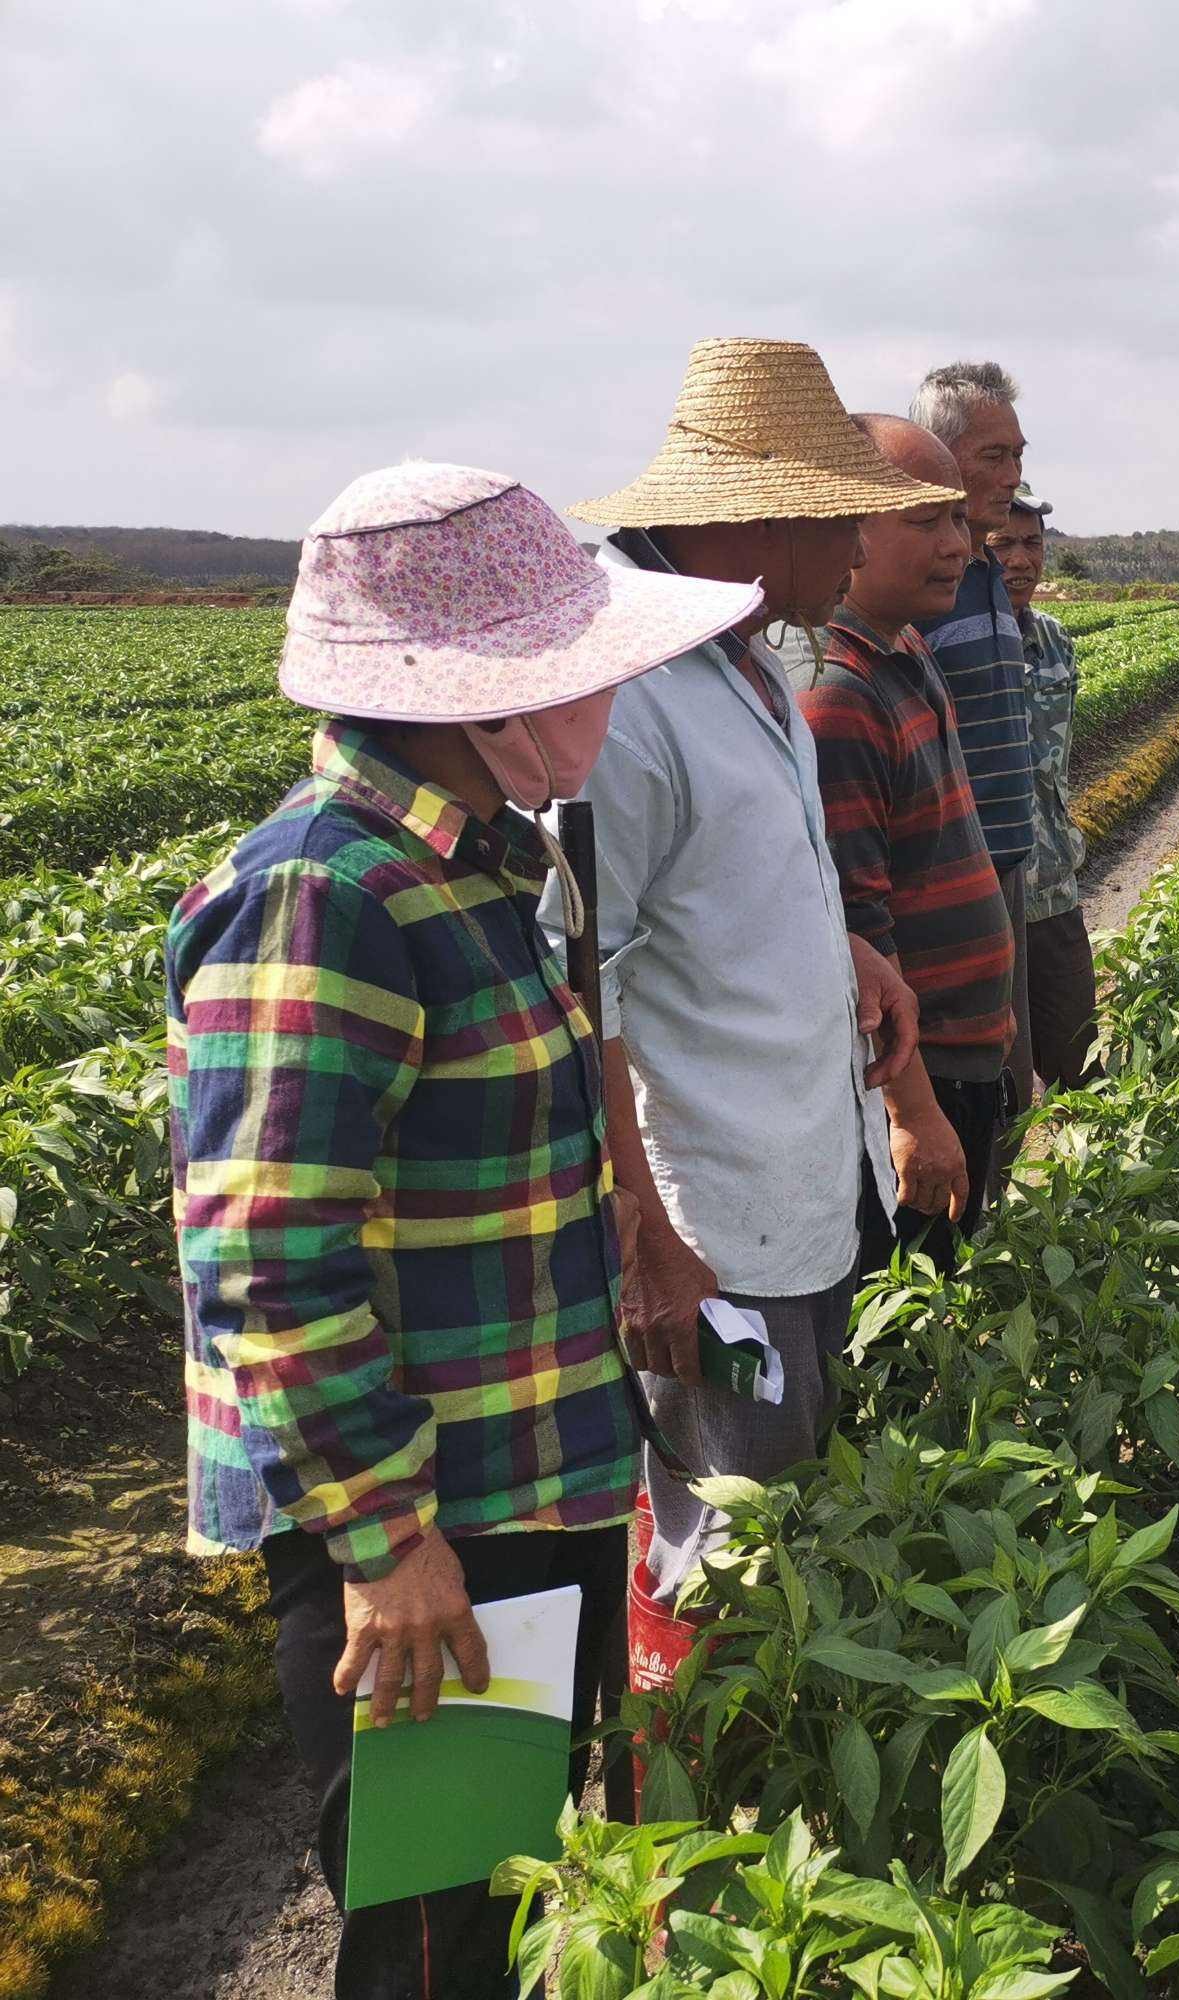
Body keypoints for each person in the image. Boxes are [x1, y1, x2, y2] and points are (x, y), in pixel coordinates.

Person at [167, 462, 761, 1996]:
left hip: (516, 1486)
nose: (608, 703)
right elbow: (263, 1258)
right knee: (439, 1935)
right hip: (438, 1532)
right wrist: (385, 1540)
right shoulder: (327, 891)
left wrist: (627, 1235)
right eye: (583, 672)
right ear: (484, 700)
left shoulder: (480, 863)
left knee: (501, 1883)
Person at [567, 337, 950, 1594]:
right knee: (728, 1563)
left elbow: (723, 884)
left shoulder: (750, 660)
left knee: (798, 1530)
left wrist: (843, 947)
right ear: (762, 516)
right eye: (842, 517)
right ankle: (703, 1782)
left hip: (803, 1182)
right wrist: (647, 1235)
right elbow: (589, 982)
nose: (860, 547)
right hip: (715, 1230)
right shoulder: (624, 706)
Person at [805, 415, 1023, 1272]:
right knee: (906, 1321)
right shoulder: (835, 696)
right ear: (846, 525)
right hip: (917, 1069)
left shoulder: (903, 653)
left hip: (961, 1056)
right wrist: (913, 1113)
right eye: (925, 520)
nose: (959, 546)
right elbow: (856, 935)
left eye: (958, 520)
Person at [911, 360, 1039, 1113]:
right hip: (947, 886)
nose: (1014, 475)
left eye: (1019, 454)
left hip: (1004, 867)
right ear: (936, 456)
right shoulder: (915, 581)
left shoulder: (987, 566)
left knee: (1006, 1083)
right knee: (965, 1088)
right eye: (994, 456)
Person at [988, 485, 1100, 1090]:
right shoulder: (946, 645)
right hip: (986, 906)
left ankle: (1092, 1185)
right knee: (998, 1095)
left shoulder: (1055, 640)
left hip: (1054, 892)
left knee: (1079, 1066)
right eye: (1001, 542)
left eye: (1032, 543)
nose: (1020, 559)